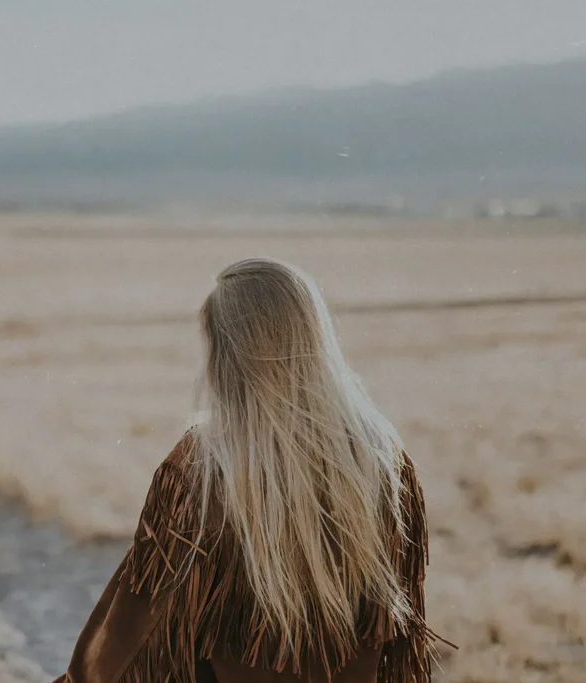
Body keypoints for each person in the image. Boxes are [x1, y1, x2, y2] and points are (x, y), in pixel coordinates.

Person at [51, 257, 448, 683]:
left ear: (227, 357)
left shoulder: (200, 468)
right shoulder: (385, 461)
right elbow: (401, 637)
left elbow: (139, 623)